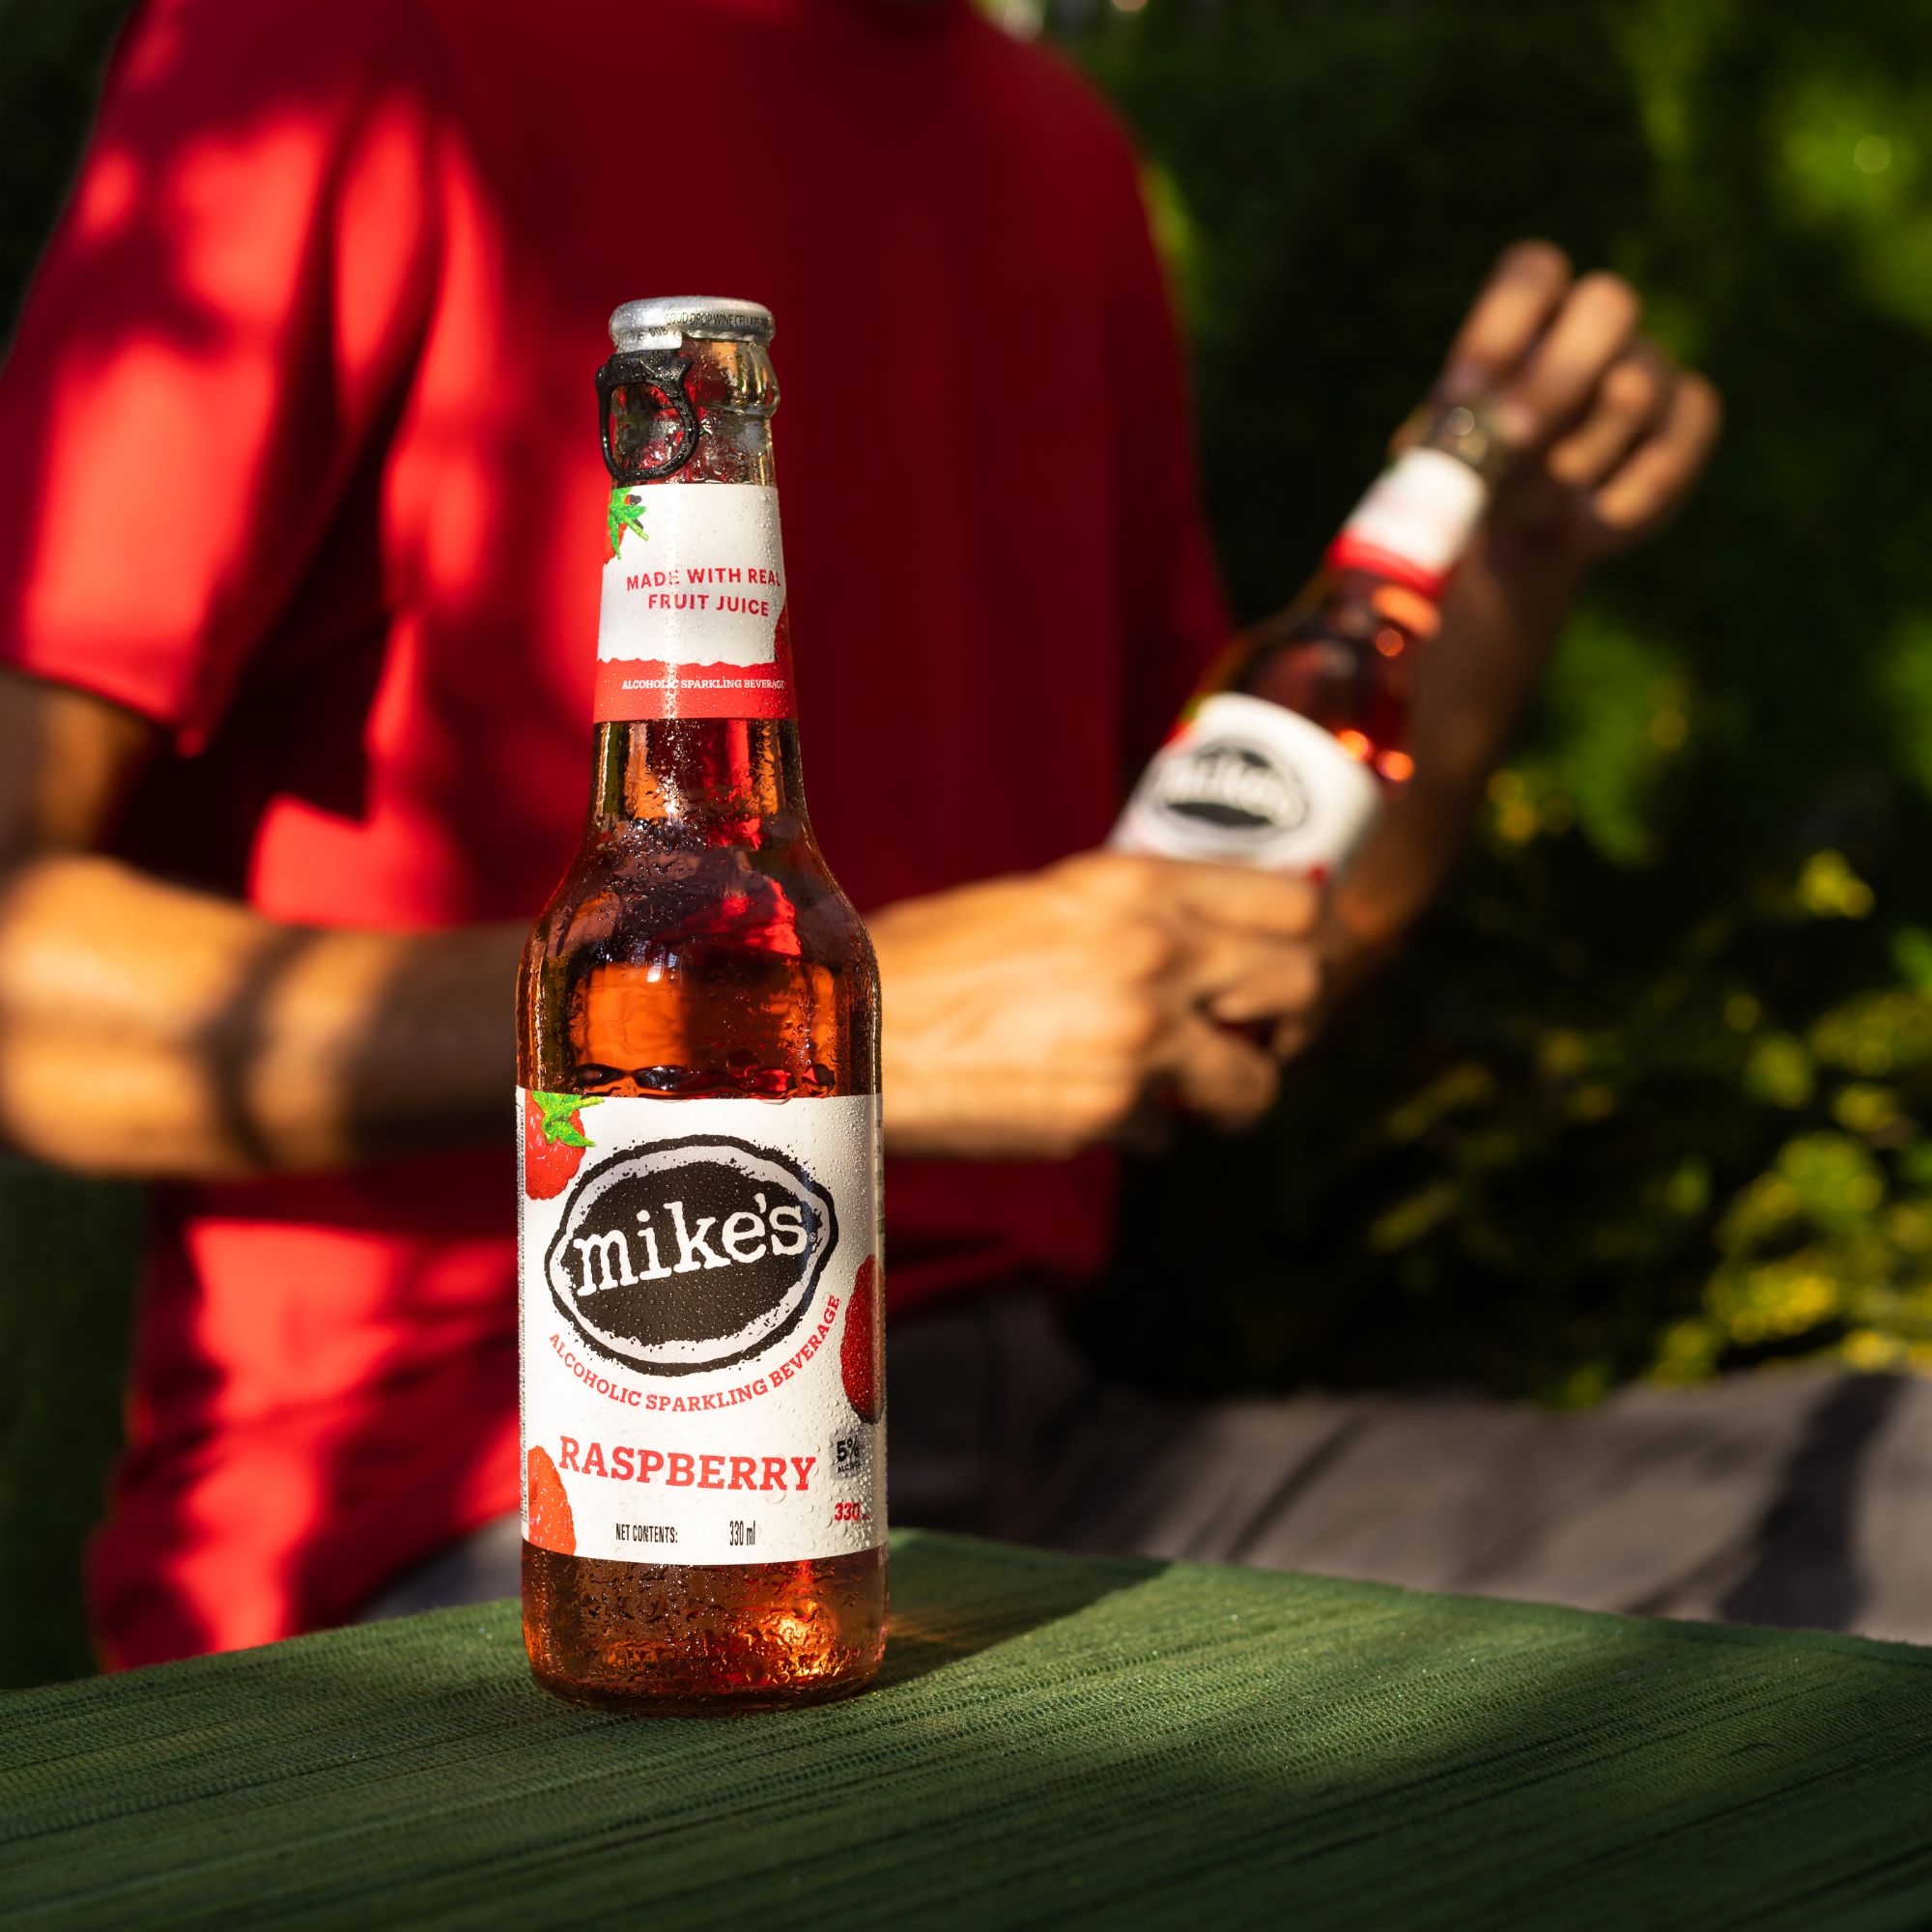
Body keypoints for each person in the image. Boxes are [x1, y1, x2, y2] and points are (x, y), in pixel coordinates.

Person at [0, 0, 1738, 1668]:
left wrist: (1501, 585)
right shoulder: (341, 35)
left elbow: (1241, 946)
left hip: (1039, 1453)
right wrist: (842, 1024)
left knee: (1848, 1532)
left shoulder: (1067, 155)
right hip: (488, 1499)